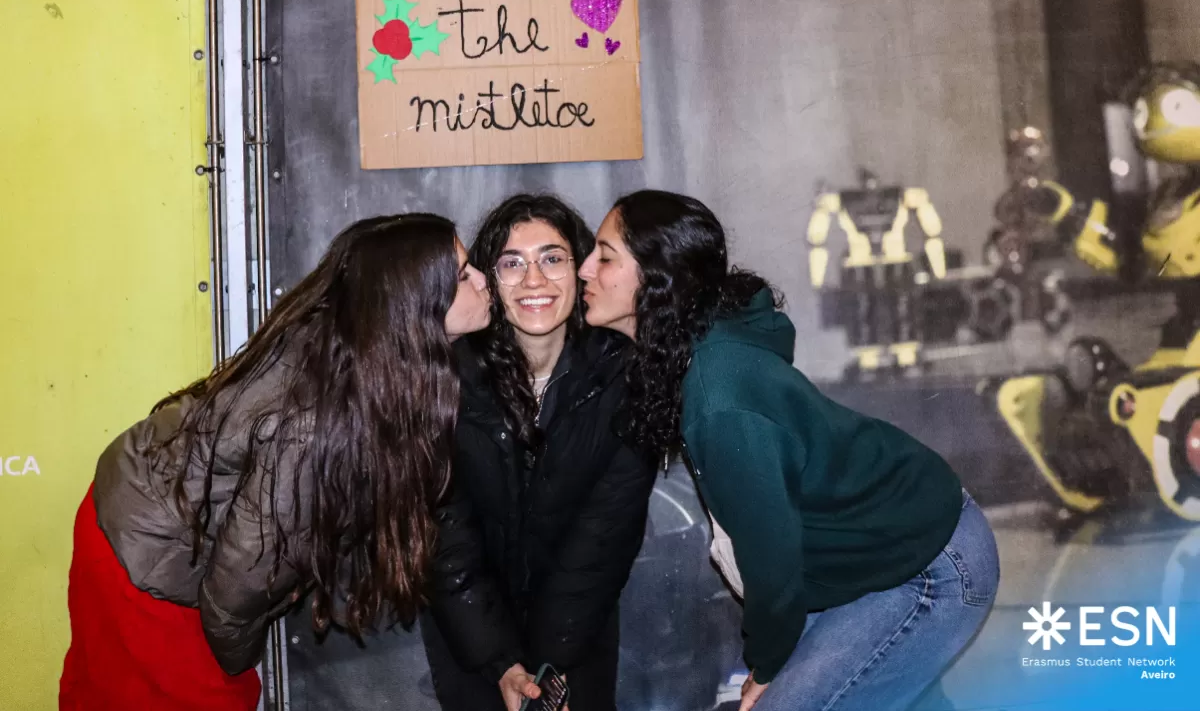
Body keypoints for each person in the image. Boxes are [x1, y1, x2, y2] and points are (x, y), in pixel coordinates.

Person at [578, 190, 1000, 711]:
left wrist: (768, 664)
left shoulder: (719, 392)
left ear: (657, 277)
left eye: (604, 256)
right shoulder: (695, 352)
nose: (584, 268)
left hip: (931, 565)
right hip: (888, 553)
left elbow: (769, 553)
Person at [59, 213, 491, 711]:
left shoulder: (372, 361)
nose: (483, 279)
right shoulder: (317, 425)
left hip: (144, 510)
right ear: (416, 305)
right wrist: (236, 665)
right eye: (463, 275)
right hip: (148, 549)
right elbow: (235, 594)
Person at [422, 194, 657, 711]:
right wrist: (500, 662)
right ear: (488, 279)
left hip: (577, 634)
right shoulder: (446, 381)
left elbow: (603, 539)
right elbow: (445, 537)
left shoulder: (625, 378)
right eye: (512, 263)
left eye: (552, 258)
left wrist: (547, 671)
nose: (534, 280)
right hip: (470, 637)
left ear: (581, 269)